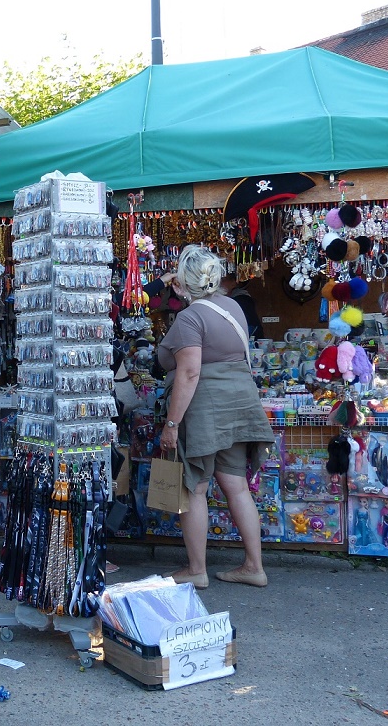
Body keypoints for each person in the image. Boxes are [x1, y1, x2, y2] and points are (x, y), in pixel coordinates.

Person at [156, 245, 274, 589]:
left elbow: (189, 372)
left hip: (206, 406)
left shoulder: (190, 318)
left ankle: (197, 569)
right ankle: (254, 566)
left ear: (182, 281)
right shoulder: (232, 306)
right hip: (240, 401)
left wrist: (172, 424)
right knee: (236, 486)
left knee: (195, 487)